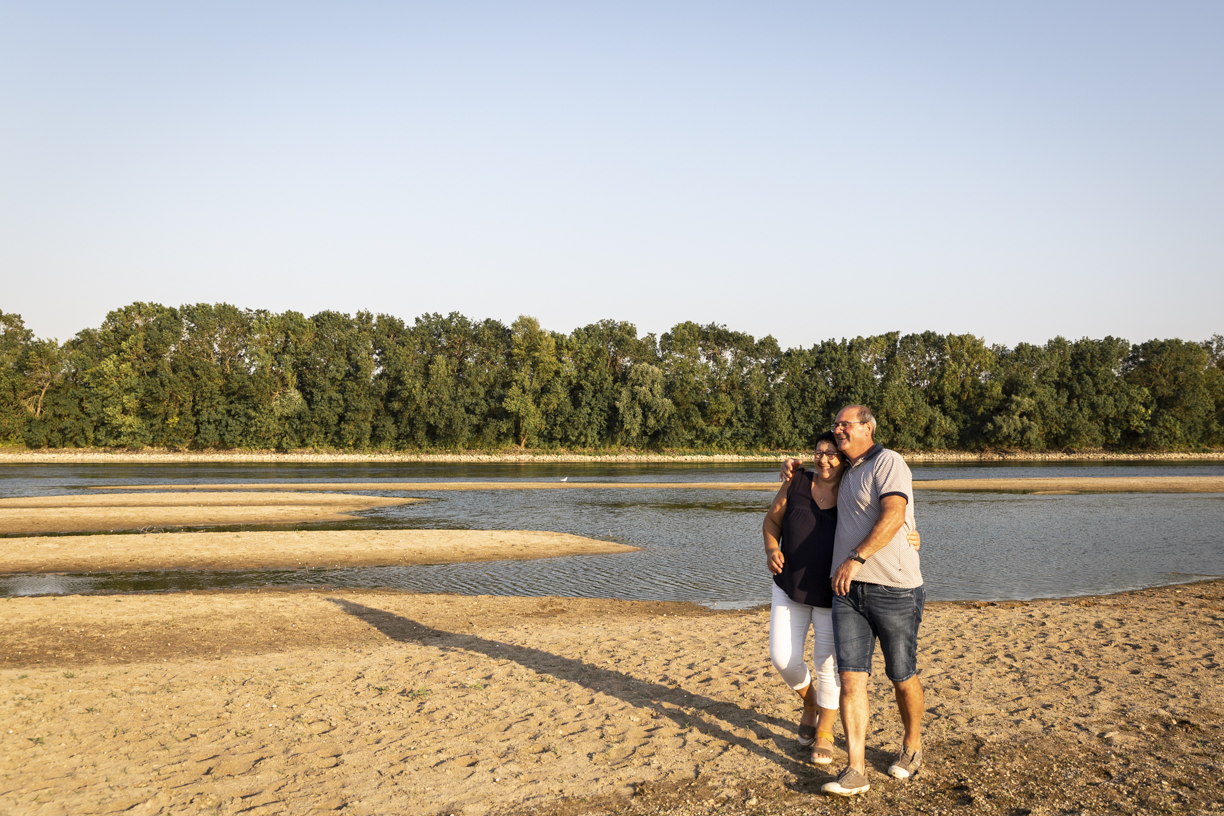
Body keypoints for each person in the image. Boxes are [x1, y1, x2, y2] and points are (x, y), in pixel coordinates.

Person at [780, 404, 925, 797]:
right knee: (850, 678)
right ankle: (855, 769)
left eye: (845, 424)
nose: (838, 431)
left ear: (867, 427)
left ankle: (912, 745)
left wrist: (857, 558)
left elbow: (896, 513)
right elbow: (817, 476)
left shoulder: (888, 461)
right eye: (836, 426)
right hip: (847, 591)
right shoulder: (845, 468)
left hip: (894, 588)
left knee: (901, 675)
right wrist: (792, 470)